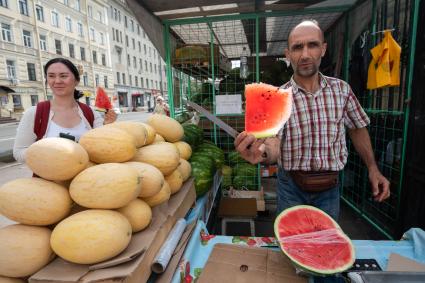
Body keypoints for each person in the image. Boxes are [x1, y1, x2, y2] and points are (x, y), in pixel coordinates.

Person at [235, 20, 390, 220]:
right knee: (290, 245)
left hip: (329, 189)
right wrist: (262, 153)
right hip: (291, 188)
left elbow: (357, 128)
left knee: (325, 246)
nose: (305, 54)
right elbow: (273, 142)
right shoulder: (276, 97)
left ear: (323, 49)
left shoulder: (342, 90)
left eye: (313, 45)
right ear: (288, 54)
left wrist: (373, 168)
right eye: (298, 47)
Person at [13, 58, 117, 163]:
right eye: (51, 76)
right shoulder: (35, 113)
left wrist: (107, 127)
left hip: (87, 177)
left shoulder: (90, 113)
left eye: (63, 76)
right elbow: (19, 152)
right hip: (49, 179)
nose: (57, 81)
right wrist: (48, 153)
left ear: (76, 80)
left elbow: (101, 147)